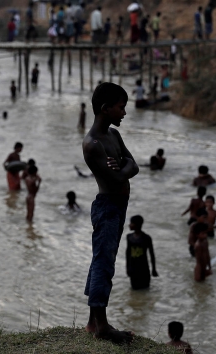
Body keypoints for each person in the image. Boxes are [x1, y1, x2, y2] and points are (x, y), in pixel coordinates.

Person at [82, 82, 138, 344]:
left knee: (102, 259)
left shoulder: (113, 136)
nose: (124, 113)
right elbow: (116, 180)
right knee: (104, 263)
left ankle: (94, 322)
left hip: (118, 206)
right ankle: (101, 325)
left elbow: (133, 166)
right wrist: (124, 169)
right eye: (121, 107)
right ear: (105, 109)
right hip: (107, 206)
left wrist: (124, 167)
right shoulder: (92, 145)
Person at [125, 215, 158, 290]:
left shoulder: (146, 238)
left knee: (145, 290)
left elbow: (151, 254)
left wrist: (153, 269)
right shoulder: (129, 237)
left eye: (131, 223)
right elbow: (128, 253)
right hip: (133, 269)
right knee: (134, 290)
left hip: (144, 269)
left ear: (137, 225)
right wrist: (127, 268)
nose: (129, 225)